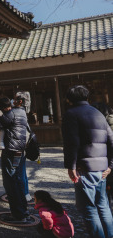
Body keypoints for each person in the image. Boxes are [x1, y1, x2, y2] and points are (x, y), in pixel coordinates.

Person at [62, 85, 113, 238]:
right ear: (86, 97)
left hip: (84, 168)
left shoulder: (70, 114)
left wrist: (71, 167)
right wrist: (110, 166)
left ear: (69, 99)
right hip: (101, 169)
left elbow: (72, 143)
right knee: (103, 206)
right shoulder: (98, 113)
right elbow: (111, 141)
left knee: (89, 208)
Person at [0, 96, 30, 224]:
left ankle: (18, 214)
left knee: (10, 181)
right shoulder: (22, 112)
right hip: (21, 150)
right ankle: (24, 211)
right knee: (18, 179)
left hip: (11, 151)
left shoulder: (10, 114)